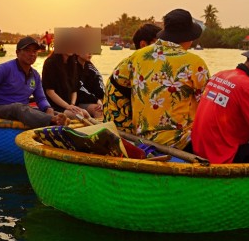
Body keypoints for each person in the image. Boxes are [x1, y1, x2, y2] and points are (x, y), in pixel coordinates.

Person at [108, 9, 210, 148]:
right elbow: (207, 106)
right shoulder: (195, 63)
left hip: (141, 139)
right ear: (189, 37)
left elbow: (114, 85)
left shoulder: (137, 56)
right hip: (180, 142)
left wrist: (124, 127)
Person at [0, 36, 67, 131]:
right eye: (27, 50)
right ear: (17, 53)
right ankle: (52, 121)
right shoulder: (4, 69)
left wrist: (48, 109)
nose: (32, 54)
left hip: (22, 110)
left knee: (55, 113)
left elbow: (41, 98)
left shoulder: (35, 75)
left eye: (34, 51)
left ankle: (57, 122)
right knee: (17, 107)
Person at [102, 22, 161, 130]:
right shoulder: (139, 64)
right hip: (122, 126)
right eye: (158, 44)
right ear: (143, 45)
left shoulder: (136, 61)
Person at [41, 37, 85, 116]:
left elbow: (74, 90)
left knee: (85, 113)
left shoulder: (72, 63)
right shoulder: (50, 63)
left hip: (69, 105)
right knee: (79, 115)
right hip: (54, 106)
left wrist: (72, 104)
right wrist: (67, 106)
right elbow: (50, 92)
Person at [75, 52, 105, 118]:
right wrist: (96, 100)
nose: (90, 53)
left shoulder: (90, 66)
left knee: (104, 107)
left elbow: (99, 83)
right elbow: (79, 88)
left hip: (91, 99)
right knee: (98, 110)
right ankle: (98, 128)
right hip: (78, 101)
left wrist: (102, 99)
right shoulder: (73, 66)